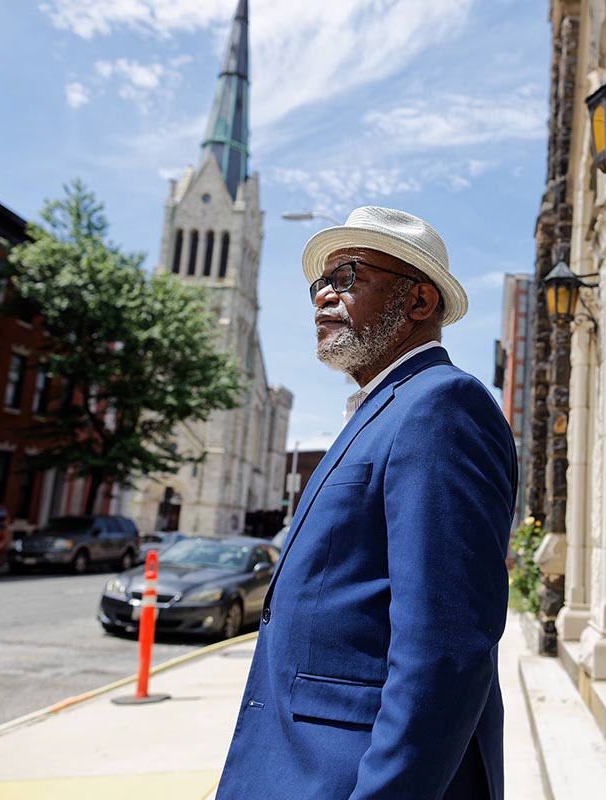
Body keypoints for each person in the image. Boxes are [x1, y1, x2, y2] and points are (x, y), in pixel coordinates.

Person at [216, 206, 517, 800]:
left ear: (419, 302)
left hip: (353, 777)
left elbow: (444, 651)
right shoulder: (384, 409)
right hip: (300, 766)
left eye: (348, 276)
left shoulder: (441, 407)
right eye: (319, 283)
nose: (324, 296)